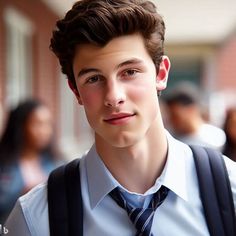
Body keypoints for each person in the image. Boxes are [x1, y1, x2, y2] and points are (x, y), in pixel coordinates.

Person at [5, 1, 236, 235]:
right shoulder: (34, 219)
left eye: (130, 72)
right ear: (76, 92)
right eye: (94, 78)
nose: (114, 97)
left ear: (161, 74)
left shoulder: (230, 190)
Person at [0, 99, 61, 223]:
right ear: (20, 126)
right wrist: (25, 196)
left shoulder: (58, 163)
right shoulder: (4, 164)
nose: (45, 131)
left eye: (48, 124)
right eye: (38, 124)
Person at [163, 82, 226, 151]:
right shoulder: (171, 142)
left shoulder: (218, 138)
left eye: (175, 116)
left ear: (191, 109)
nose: (171, 120)